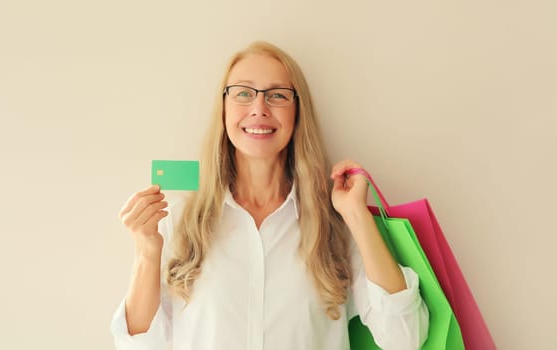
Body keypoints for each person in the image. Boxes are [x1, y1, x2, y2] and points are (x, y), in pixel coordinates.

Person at [110, 41, 429, 350]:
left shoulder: (335, 225)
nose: (259, 108)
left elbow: (406, 339)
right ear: (224, 109)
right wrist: (147, 252)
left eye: (277, 95)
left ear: (297, 113)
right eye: (244, 93)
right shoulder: (176, 220)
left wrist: (357, 216)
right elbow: (135, 346)